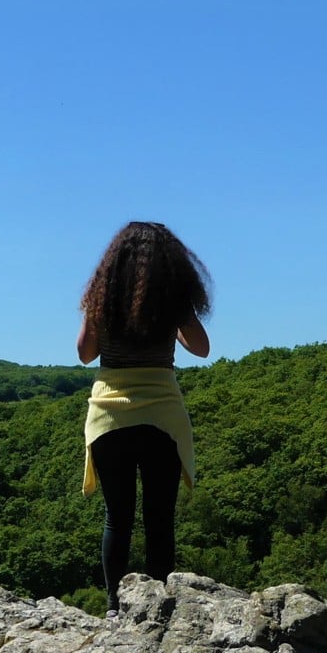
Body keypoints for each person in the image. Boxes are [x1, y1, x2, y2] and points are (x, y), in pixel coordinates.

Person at [77, 221, 212, 615]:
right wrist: (174, 320)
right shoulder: (172, 301)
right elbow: (201, 348)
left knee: (117, 518)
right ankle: (160, 609)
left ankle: (114, 607)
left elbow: (85, 353)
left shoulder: (101, 298)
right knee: (159, 519)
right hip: (162, 416)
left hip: (109, 416)